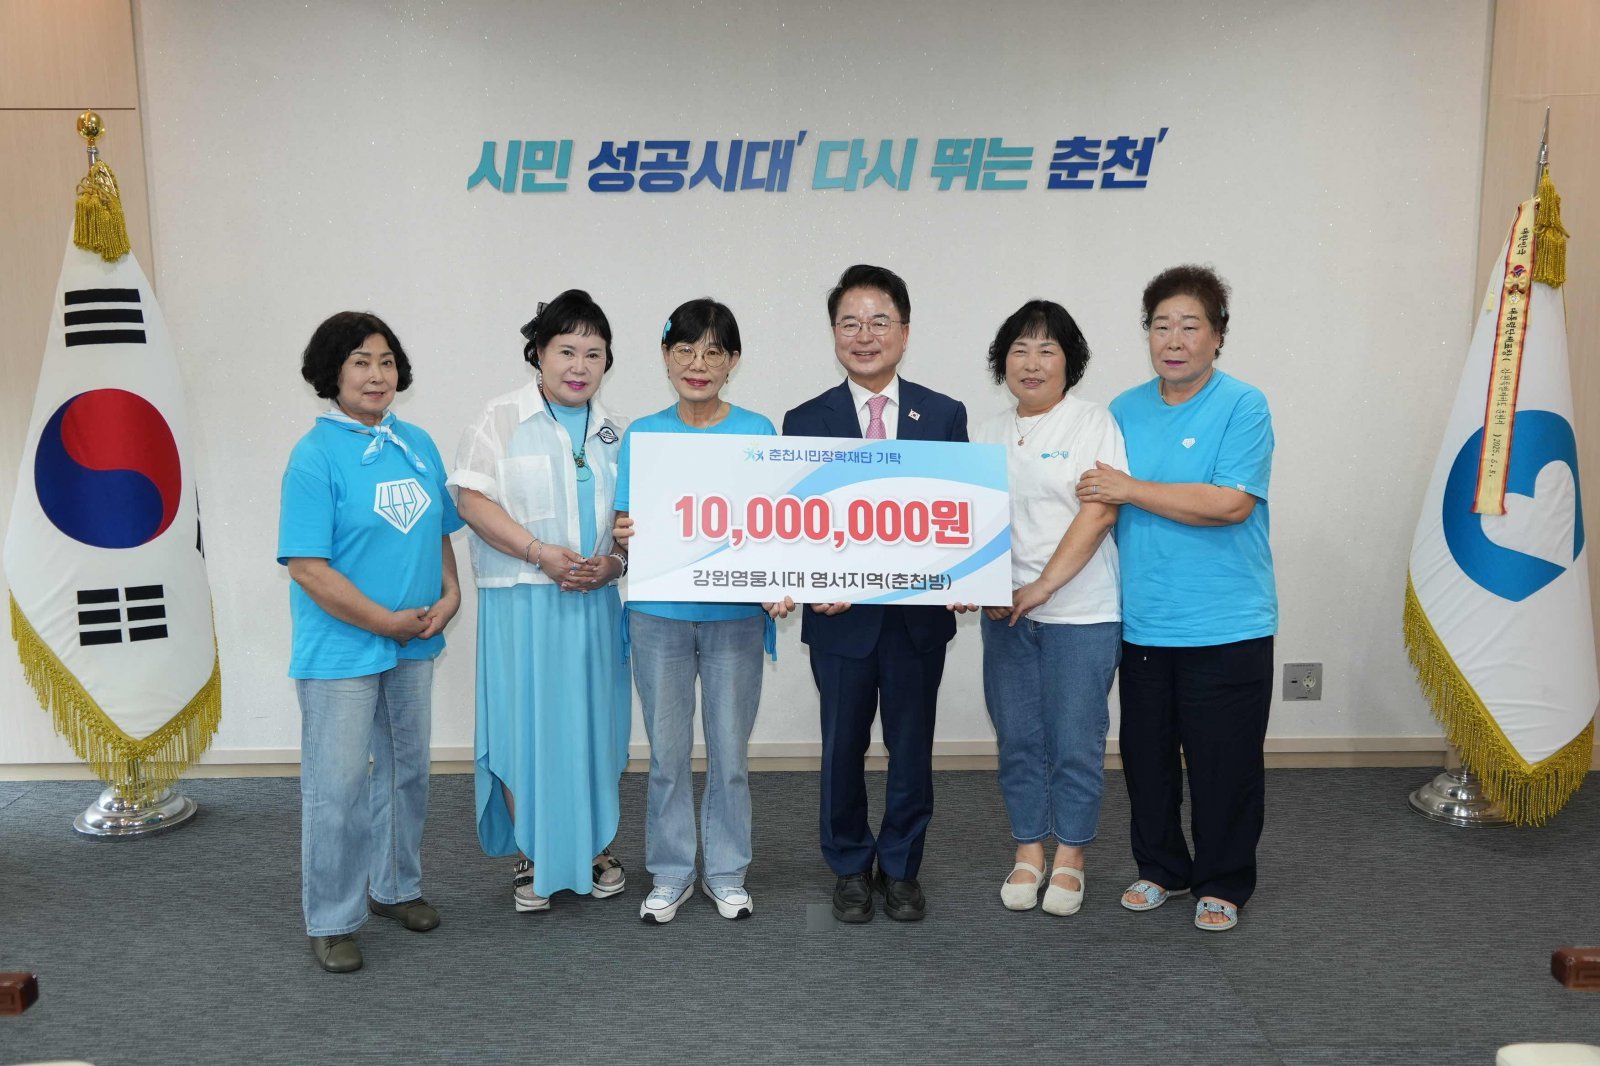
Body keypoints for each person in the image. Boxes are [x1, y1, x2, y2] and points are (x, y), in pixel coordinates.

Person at [1075, 264, 1276, 932]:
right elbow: (1094, 500)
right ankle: (1161, 867)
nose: (1175, 339)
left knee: (1225, 763)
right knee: (1148, 760)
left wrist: (1131, 488)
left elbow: (1230, 503)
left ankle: (1223, 879)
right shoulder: (1123, 410)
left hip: (1227, 621)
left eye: (1190, 326)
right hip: (1144, 620)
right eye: (1161, 326)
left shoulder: (1243, 405)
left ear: (1217, 335)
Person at [782, 263, 968, 923]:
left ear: (905, 332)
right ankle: (849, 864)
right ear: (834, 333)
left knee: (912, 750)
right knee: (841, 750)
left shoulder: (943, 414)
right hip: (841, 622)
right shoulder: (805, 420)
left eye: (879, 321)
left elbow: (960, 516)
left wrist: (964, 575)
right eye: (850, 323)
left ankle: (902, 866)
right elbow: (794, 525)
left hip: (917, 621)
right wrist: (811, 581)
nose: (864, 336)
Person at [278, 311, 463, 973]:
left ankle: (395, 888)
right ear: (332, 372)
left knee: (408, 773)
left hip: (414, 642)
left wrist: (451, 593)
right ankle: (331, 918)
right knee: (338, 789)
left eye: (386, 361)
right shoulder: (314, 456)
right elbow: (308, 568)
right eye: (360, 361)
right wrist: (384, 621)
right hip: (342, 650)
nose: (376, 374)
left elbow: (438, 531)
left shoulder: (417, 443)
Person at [610, 298, 794, 924]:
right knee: (666, 756)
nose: (698, 364)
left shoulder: (757, 432)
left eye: (713, 351)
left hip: (735, 616)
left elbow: (775, 526)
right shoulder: (643, 434)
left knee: (730, 756)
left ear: (733, 361)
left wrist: (781, 579)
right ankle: (670, 872)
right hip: (658, 613)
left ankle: (726, 870)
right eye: (685, 350)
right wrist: (623, 533)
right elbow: (624, 525)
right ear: (666, 357)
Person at [448, 290, 631, 912]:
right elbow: (471, 501)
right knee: (524, 728)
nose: (579, 366)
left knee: (592, 728)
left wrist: (615, 565)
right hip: (522, 604)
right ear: (539, 353)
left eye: (593, 354)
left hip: (593, 604)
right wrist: (537, 552)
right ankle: (532, 849)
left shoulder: (618, 432)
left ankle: (593, 846)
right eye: (566, 350)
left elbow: (634, 521)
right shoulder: (500, 418)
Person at [973, 300, 1123, 916]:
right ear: (1002, 362)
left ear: (1069, 361)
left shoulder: (1092, 422)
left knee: (1075, 741)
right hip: (1004, 614)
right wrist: (979, 585)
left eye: (1046, 350)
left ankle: (1072, 856)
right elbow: (966, 522)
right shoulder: (985, 433)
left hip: (1081, 612)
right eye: (1019, 350)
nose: (1031, 363)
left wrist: (1041, 587)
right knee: (1017, 738)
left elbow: (1099, 512)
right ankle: (1029, 848)